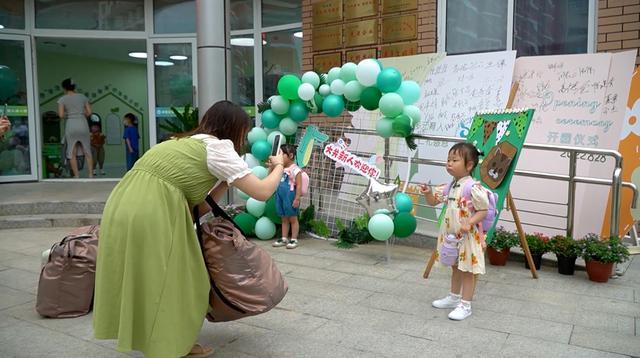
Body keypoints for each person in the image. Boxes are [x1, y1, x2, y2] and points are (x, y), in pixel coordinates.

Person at [93, 100, 285, 358]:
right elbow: (262, 192)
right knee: (185, 279)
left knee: (144, 276)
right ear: (235, 130)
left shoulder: (178, 142)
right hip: (153, 210)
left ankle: (152, 337)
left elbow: (197, 208)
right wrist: (280, 166)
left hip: (122, 203)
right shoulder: (219, 148)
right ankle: (173, 345)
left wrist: (227, 181)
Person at [419, 142, 489, 321]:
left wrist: (470, 222)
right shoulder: (450, 186)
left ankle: (466, 305)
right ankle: (453, 297)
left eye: (454, 160)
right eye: (448, 159)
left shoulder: (472, 187)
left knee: (467, 270)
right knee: (455, 267)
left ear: (469, 165)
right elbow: (434, 202)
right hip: (452, 237)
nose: (449, 163)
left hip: (467, 238)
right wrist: (428, 193)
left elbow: (483, 211)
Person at [58, 78, 93, 178]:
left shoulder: (62, 99)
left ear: (64, 88)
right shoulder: (83, 97)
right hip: (82, 123)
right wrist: (80, 114)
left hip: (71, 124)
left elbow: (60, 115)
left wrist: (70, 114)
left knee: (71, 151)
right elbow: (89, 112)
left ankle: (77, 176)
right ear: (74, 87)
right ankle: (90, 175)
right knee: (87, 150)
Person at [272, 144, 302, 249]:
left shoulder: (296, 170)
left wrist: (297, 198)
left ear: (291, 155)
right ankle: (284, 238)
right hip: (280, 195)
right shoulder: (280, 168)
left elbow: (299, 185)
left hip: (290, 196)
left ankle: (294, 239)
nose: (279, 157)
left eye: (282, 154)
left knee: (293, 218)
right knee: (284, 218)